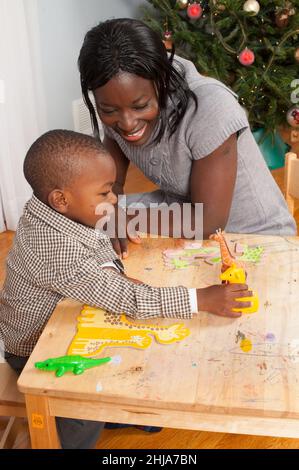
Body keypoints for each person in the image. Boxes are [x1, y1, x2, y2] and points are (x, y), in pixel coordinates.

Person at [0, 129, 252, 449]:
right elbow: (128, 298)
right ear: (61, 199)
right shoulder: (56, 249)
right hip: (35, 351)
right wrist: (200, 298)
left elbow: (97, 238)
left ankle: (112, 411)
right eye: (105, 193)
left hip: (65, 317)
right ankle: (75, 434)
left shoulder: (56, 211)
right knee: (84, 402)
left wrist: (107, 271)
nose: (114, 199)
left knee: (130, 347)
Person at [78, 18, 296, 259]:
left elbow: (209, 222)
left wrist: (122, 219)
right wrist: (108, 212)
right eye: (109, 110)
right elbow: (110, 185)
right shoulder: (117, 91)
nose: (127, 123)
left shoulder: (210, 108)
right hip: (182, 218)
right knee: (85, 215)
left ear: (160, 84)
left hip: (253, 239)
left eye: (140, 106)